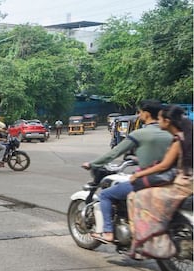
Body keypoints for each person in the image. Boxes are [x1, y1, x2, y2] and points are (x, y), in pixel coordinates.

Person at [82, 100, 172, 243]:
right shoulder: (170, 133)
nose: (138, 115)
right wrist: (139, 158)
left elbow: (114, 153)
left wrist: (92, 163)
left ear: (146, 114)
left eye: (140, 112)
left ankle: (108, 232)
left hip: (147, 180)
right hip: (169, 180)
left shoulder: (140, 134)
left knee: (105, 195)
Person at [127, 105, 193, 258]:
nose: (158, 121)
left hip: (183, 186)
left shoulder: (178, 140)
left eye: (160, 119)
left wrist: (139, 175)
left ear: (167, 121)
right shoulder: (188, 137)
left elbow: (164, 165)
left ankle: (149, 242)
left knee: (137, 197)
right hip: (188, 183)